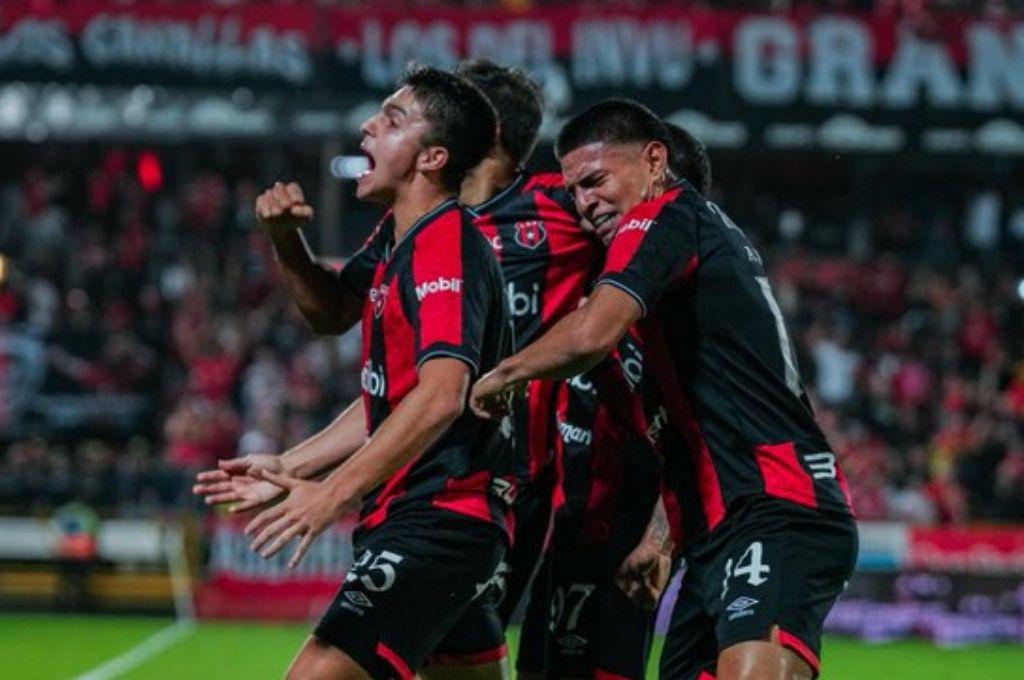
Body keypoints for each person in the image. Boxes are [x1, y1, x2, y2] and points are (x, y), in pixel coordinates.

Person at [469, 99, 857, 680]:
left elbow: (591, 334)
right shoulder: (680, 289)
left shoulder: (666, 214)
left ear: (655, 161)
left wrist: (501, 374)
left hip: (777, 505)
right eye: (574, 191)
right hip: (716, 533)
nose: (585, 203)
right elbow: (687, 434)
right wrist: (659, 538)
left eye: (595, 181)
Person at [204, 65, 515, 680]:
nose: (369, 126)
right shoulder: (399, 240)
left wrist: (333, 492)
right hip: (440, 522)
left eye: (393, 120)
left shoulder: (444, 246)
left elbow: (441, 396)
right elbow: (333, 317)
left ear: (433, 158)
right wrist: (291, 466)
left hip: (437, 520)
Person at [516, 122, 715, 680]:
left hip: (621, 547)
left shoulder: (677, 322)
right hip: (567, 538)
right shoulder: (594, 295)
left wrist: (657, 541)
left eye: (600, 184)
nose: (586, 208)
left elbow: (692, 442)